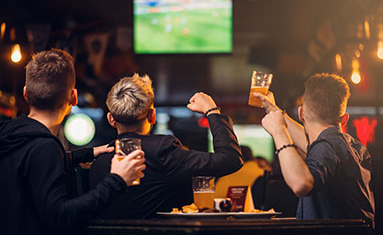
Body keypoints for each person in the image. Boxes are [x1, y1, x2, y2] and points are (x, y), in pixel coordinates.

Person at [0, 49, 146, 235]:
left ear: (26, 94)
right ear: (73, 97)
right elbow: (61, 217)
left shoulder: (10, 134)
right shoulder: (44, 147)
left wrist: (85, 154)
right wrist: (117, 180)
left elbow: (27, 165)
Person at [90, 73, 243, 219]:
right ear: (152, 116)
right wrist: (212, 111)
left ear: (111, 119)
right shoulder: (162, 150)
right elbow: (230, 159)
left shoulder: (98, 160)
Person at [254, 73, 375, 226]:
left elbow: (300, 184)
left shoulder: (326, 146)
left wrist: (279, 132)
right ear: (344, 119)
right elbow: (313, 145)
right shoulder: (351, 146)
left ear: (301, 113)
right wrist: (274, 110)